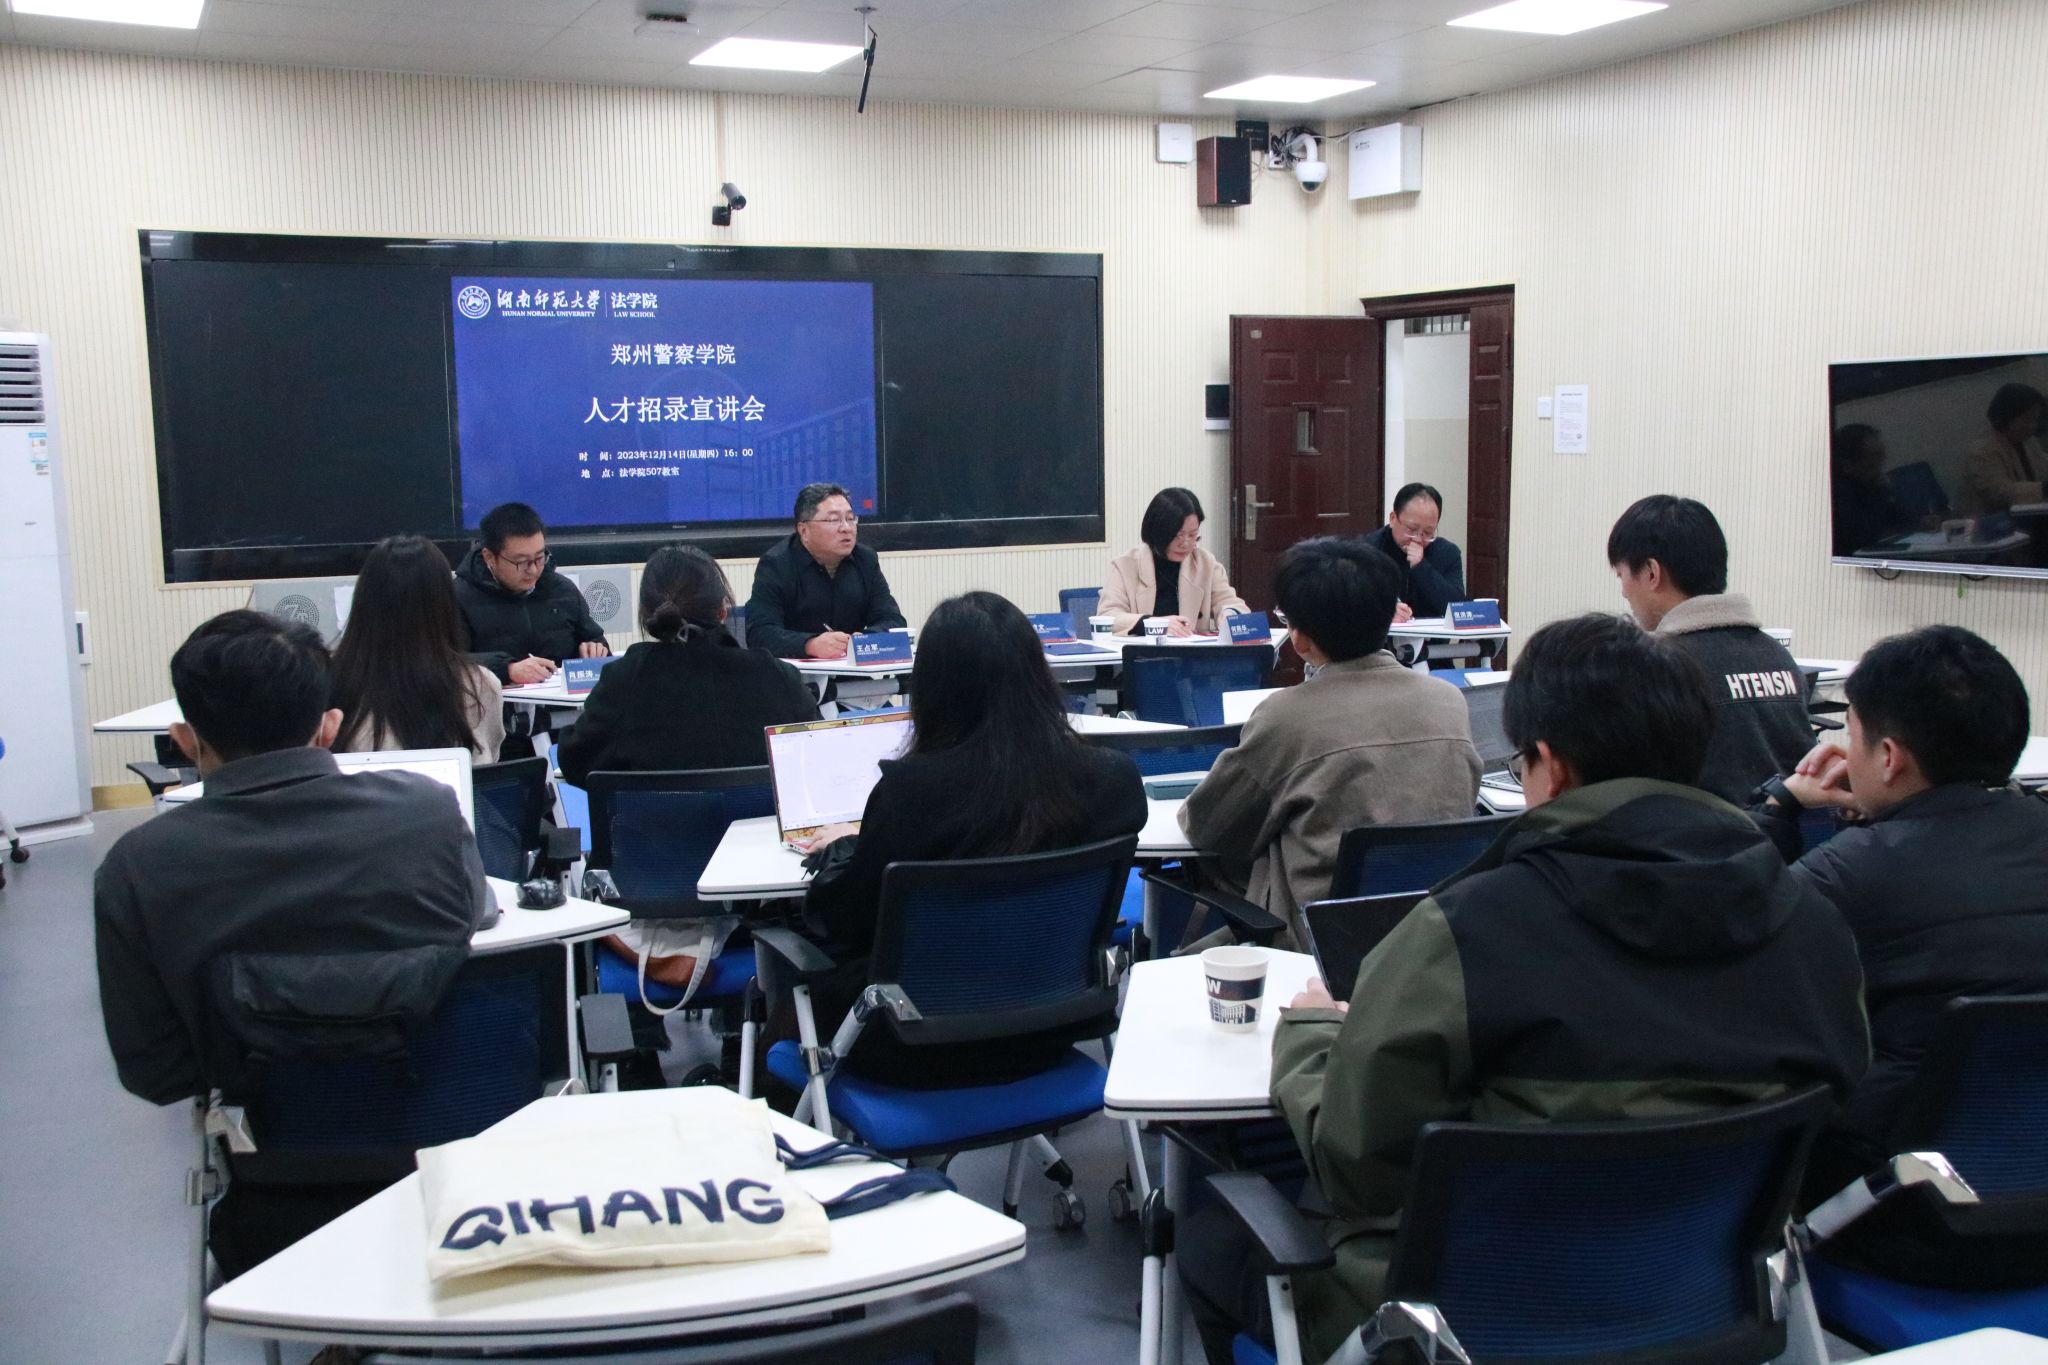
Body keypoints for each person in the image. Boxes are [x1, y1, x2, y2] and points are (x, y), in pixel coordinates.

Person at [1180, 613, 1869, 1365]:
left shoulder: (1463, 932)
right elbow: (1836, 1102)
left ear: (1551, 765)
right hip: (1705, 1304)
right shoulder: (1814, 924)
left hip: (1465, 1324)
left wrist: (1313, 1034)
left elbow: (1358, 1166)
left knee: (1208, 1237)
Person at [94, 610, 490, 1277]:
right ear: (329, 726)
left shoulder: (138, 868)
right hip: (464, 1183)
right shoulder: (427, 812)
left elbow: (156, 1073)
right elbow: (469, 923)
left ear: (185, 740)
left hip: (278, 1212)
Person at [1749, 625, 2048, 1288]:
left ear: (1888, 758)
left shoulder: (1845, 875)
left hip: (1905, 1221)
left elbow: (1737, 950)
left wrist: (1780, 803)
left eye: (1848, 732)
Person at [791, 591, 1146, 1087]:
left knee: (792, 977)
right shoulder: (1114, 780)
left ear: (932, 690)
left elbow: (846, 923)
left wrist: (844, 849)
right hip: (1056, 1027)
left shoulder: (908, 793)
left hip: (918, 1043)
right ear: (1039, 676)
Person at [1179, 537, 1478, 946]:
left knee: (1173, 970)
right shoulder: (1449, 703)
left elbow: (1208, 826)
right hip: (1429, 939)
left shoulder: (1287, 717)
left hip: (1313, 947)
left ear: (1299, 638)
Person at [1607, 494, 1813, 804]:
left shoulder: (1656, 666)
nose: (1623, 591)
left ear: (1651, 572)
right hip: (1784, 832)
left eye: (1621, 575)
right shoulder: (1777, 654)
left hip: (1705, 833)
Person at [558, 545, 820, 785]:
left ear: (647, 615)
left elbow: (575, 763)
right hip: (761, 823)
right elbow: (817, 755)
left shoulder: (625, 680)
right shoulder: (775, 676)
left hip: (656, 823)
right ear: (723, 610)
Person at [330, 535, 504, 763]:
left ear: (363, 600)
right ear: (445, 603)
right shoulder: (481, 686)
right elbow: (487, 766)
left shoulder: (331, 680)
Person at [453, 501, 608, 685]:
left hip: (561, 700)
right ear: (490, 557)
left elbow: (594, 639)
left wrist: (595, 649)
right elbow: (446, 662)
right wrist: (507, 670)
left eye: (539, 558)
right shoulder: (458, 597)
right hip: (496, 700)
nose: (533, 570)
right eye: (521, 562)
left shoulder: (562, 589)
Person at [745, 483, 905, 659]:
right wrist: (810, 644)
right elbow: (760, 633)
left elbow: (893, 620)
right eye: (834, 520)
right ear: (804, 530)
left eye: (850, 518)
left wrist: (866, 639)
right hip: (798, 673)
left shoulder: (865, 560)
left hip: (854, 671)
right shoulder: (776, 565)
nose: (846, 528)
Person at [1099, 487, 1250, 636]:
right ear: (1159, 531)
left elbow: (1231, 603)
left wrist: (1229, 614)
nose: (1185, 543)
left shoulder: (1206, 564)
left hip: (1192, 651)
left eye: (1192, 535)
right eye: (1178, 535)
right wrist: (1154, 624)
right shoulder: (1126, 565)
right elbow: (1107, 616)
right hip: (1141, 651)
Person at [1359, 483, 1463, 620]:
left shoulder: (1447, 553)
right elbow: (1349, 602)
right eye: (1411, 530)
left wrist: (1421, 567)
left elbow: (1459, 609)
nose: (1418, 539)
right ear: (1393, 519)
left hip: (1431, 634)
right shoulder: (1367, 550)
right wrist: (1383, 611)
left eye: (1428, 532)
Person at [1957, 382, 2048, 516]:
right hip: (1990, 523)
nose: (2033, 425)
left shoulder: (2027, 441)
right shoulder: (1981, 451)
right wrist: (2044, 489)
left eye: (2036, 419)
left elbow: (2044, 466)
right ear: (2007, 416)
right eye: (2027, 419)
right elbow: (2001, 493)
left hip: (2025, 516)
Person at [1831, 424, 1908, 556]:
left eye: (1881, 457)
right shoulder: (1839, 493)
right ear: (1848, 465)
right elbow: (1865, 534)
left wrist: (1917, 521)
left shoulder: (1868, 482)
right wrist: (1880, 492)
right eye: (1873, 461)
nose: (1880, 466)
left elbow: (1895, 517)